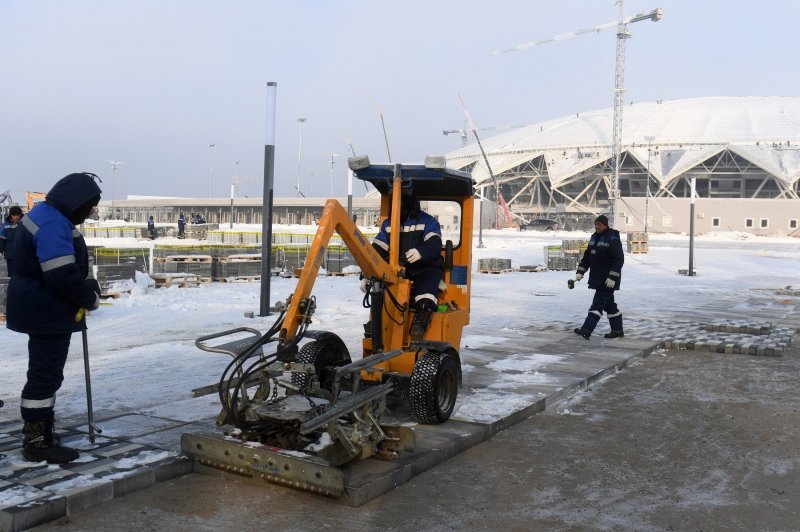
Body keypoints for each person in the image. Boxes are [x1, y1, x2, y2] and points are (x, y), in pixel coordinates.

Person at [6, 172, 102, 463]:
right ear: (76, 202)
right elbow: (59, 273)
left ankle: (40, 432)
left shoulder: (48, 215)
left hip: (41, 304)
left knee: (44, 373)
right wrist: (88, 297)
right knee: (45, 376)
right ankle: (38, 441)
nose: (90, 212)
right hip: (45, 308)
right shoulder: (51, 223)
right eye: (90, 205)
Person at [362, 188, 443, 342]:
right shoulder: (388, 224)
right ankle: (376, 324)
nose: (398, 208)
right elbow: (377, 250)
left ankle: (421, 321)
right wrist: (366, 274)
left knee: (428, 281)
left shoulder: (428, 221)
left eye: (402, 204)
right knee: (381, 285)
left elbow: (434, 244)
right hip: (398, 268)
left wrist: (421, 252)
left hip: (423, 267)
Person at [572, 214, 625, 340]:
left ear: (605, 225)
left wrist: (612, 277)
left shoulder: (612, 238)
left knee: (598, 304)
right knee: (609, 305)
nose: (596, 226)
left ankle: (586, 330)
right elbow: (587, 257)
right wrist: (580, 272)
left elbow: (619, 259)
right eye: (595, 224)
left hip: (608, 280)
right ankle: (617, 330)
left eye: (599, 224)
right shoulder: (594, 238)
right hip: (598, 278)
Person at [0, 205, 24, 272]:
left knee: (23, 274)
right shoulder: (6, 224)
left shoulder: (25, 223)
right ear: (10, 215)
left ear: (20, 215)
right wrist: (0, 251)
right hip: (10, 254)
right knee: (12, 274)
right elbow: (2, 238)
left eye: (17, 215)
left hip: (23, 254)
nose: (15, 217)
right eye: (13, 215)